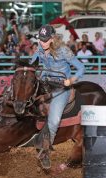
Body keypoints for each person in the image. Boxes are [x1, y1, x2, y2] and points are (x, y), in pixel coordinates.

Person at [30, 25, 85, 169]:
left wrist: (71, 80)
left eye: (46, 40)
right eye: (41, 40)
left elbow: (81, 68)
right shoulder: (40, 50)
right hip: (45, 85)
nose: (42, 43)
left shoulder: (64, 51)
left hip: (61, 89)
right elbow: (31, 65)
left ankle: (45, 152)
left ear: (53, 38)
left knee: (53, 121)